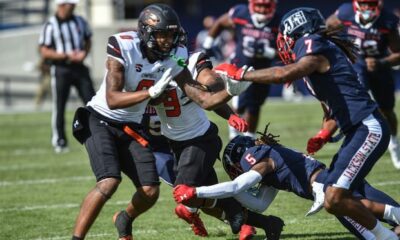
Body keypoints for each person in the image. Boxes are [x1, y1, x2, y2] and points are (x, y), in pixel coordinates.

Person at [213, 7, 398, 239]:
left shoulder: (310, 43)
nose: (284, 44)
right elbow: (331, 113)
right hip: (356, 131)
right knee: (333, 196)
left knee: (335, 197)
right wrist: (323, 133)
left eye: (285, 38)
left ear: (295, 32)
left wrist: (241, 74)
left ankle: (387, 236)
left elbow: (284, 74)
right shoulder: (316, 57)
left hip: (367, 128)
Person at [70, 3, 250, 240]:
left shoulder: (177, 56)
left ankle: (124, 220)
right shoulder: (124, 45)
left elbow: (203, 98)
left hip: (133, 127)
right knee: (109, 181)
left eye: (172, 35)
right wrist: (150, 93)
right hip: (100, 118)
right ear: (146, 32)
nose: (168, 41)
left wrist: (230, 92)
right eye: (162, 34)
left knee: (150, 191)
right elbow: (112, 99)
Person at [173, 127, 400, 239]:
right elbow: (259, 205)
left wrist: (195, 190)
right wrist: (220, 196)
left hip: (335, 195)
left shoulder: (262, 161)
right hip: (343, 183)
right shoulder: (273, 162)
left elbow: (236, 187)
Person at [325, 0, 400, 169]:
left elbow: (398, 53)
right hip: (356, 63)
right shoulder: (345, 13)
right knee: (353, 100)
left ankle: (394, 143)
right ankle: (345, 133)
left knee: (387, 110)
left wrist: (381, 62)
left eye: (371, 3)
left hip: (380, 66)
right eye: (364, 3)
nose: (367, 8)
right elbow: (323, 32)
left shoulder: (387, 20)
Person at [202, 0, 280, 139]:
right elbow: (220, 22)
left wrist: (270, 52)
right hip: (239, 66)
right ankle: (234, 136)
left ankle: (248, 139)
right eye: (259, 5)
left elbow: (286, 51)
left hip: (263, 70)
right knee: (239, 103)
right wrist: (208, 45)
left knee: (254, 106)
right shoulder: (241, 13)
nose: (262, 9)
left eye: (266, 6)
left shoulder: (278, 22)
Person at [38, 0, 95, 153]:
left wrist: (84, 53)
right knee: (59, 105)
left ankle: (99, 134)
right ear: (61, 5)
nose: (73, 6)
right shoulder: (50, 24)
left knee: (93, 103)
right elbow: (44, 50)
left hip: (79, 67)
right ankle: (60, 140)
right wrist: (63, 55)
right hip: (61, 68)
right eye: (70, 4)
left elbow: (88, 39)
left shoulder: (80, 21)